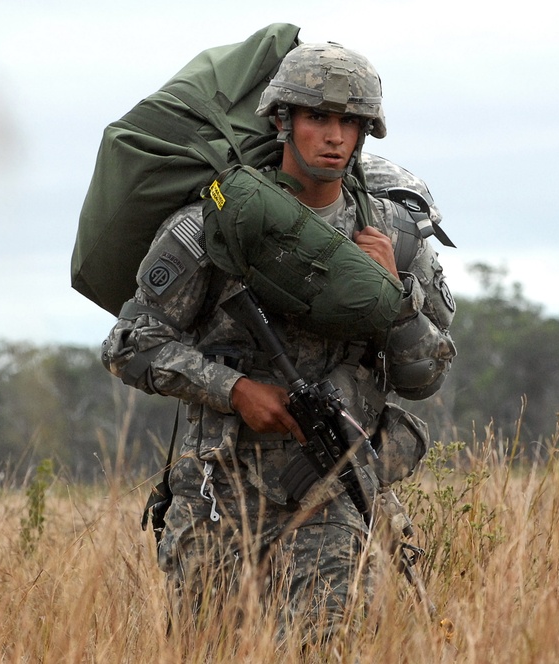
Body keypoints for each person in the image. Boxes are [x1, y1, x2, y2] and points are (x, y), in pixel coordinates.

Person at [101, 41, 456, 646]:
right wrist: (235, 391)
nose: (334, 136)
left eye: (350, 122)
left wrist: (396, 300)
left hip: (331, 487)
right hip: (219, 490)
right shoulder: (217, 223)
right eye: (317, 117)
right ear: (281, 121)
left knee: (328, 649)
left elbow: (424, 378)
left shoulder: (393, 237)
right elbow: (131, 343)